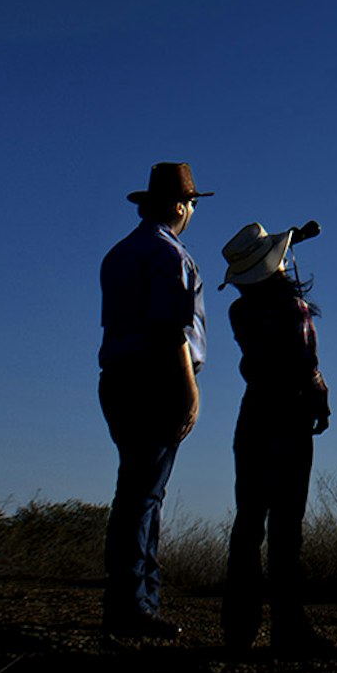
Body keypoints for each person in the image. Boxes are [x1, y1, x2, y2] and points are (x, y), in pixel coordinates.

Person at [98, 161, 211, 640]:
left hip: (117, 378)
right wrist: (189, 391)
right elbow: (172, 331)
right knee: (145, 495)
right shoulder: (170, 257)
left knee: (134, 491)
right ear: (181, 206)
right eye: (190, 205)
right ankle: (135, 606)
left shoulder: (119, 254)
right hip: (156, 380)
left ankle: (130, 600)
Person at [219, 218, 332, 657]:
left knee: (248, 522)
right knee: (286, 525)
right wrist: (319, 398)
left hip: (253, 415)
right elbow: (306, 366)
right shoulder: (291, 309)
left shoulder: (240, 311)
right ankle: (288, 627)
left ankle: (239, 628)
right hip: (288, 413)